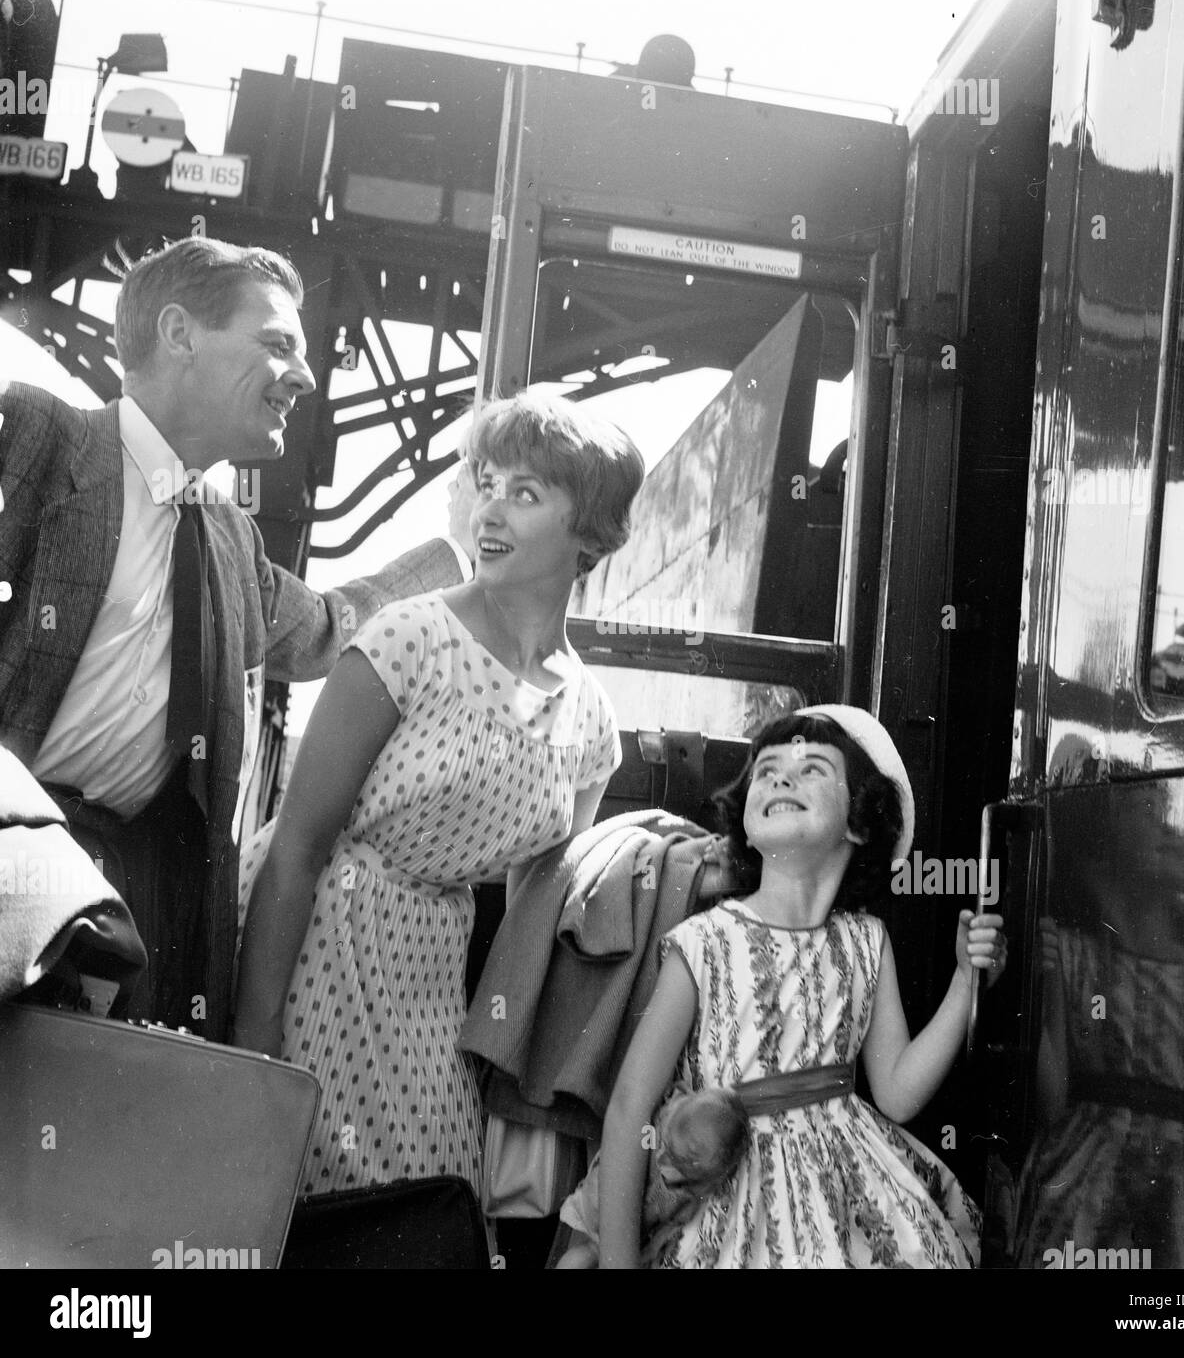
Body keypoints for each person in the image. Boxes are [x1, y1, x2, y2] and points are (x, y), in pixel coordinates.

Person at [0, 237, 468, 1039]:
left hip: (133, 904)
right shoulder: (35, 437)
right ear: (180, 335)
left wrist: (459, 556)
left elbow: (323, 631)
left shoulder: (228, 536)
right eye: (278, 342)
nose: (304, 375)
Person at [232, 391, 645, 1200]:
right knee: (299, 1192)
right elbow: (296, 849)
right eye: (485, 481)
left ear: (591, 531)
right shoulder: (407, 636)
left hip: (432, 979)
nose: (489, 508)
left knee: (435, 1197)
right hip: (316, 940)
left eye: (525, 493)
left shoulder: (594, 722)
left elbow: (535, 921)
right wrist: (256, 1042)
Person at [597, 704, 1007, 1268]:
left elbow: (896, 1093)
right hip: (728, 1205)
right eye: (766, 770)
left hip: (850, 1206)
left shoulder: (867, 942)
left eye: (812, 767)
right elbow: (628, 1109)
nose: (782, 777)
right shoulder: (703, 943)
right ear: (745, 818)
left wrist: (966, 981)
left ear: (860, 822)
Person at [555, 1086, 749, 1268]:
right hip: (604, 1196)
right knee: (588, 1252)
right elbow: (634, 1136)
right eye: (667, 1142)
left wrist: (650, 1250)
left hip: (634, 1226)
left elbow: (672, 1225)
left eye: (675, 1160)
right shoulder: (661, 1123)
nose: (663, 1157)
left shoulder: (690, 1192)